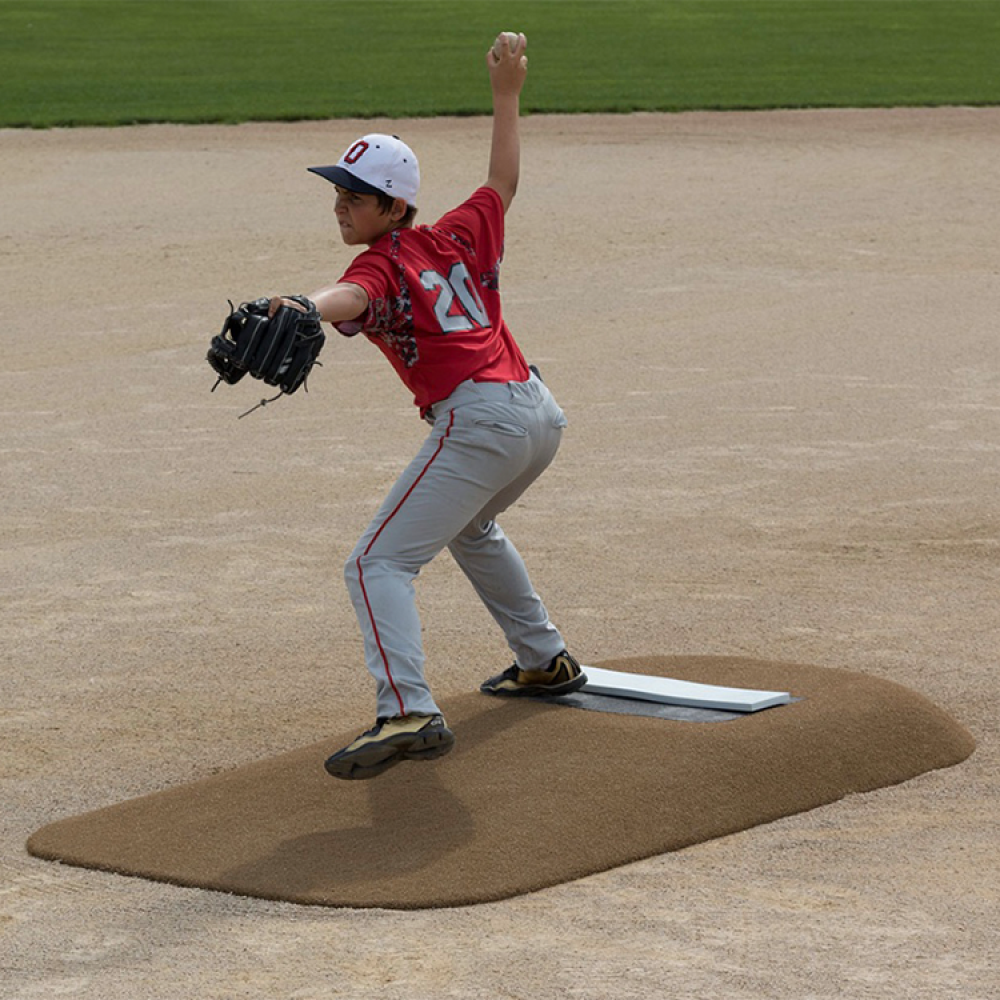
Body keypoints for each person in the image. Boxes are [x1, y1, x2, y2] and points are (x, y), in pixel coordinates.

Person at [276, 33, 585, 780]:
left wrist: (303, 305)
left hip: (481, 423)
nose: (340, 205)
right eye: (338, 192)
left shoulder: (378, 262)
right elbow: (502, 181)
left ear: (394, 206)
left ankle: (407, 711)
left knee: (374, 563)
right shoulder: (457, 232)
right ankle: (543, 659)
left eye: (355, 196)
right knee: (471, 528)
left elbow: (355, 295)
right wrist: (506, 95)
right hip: (538, 416)